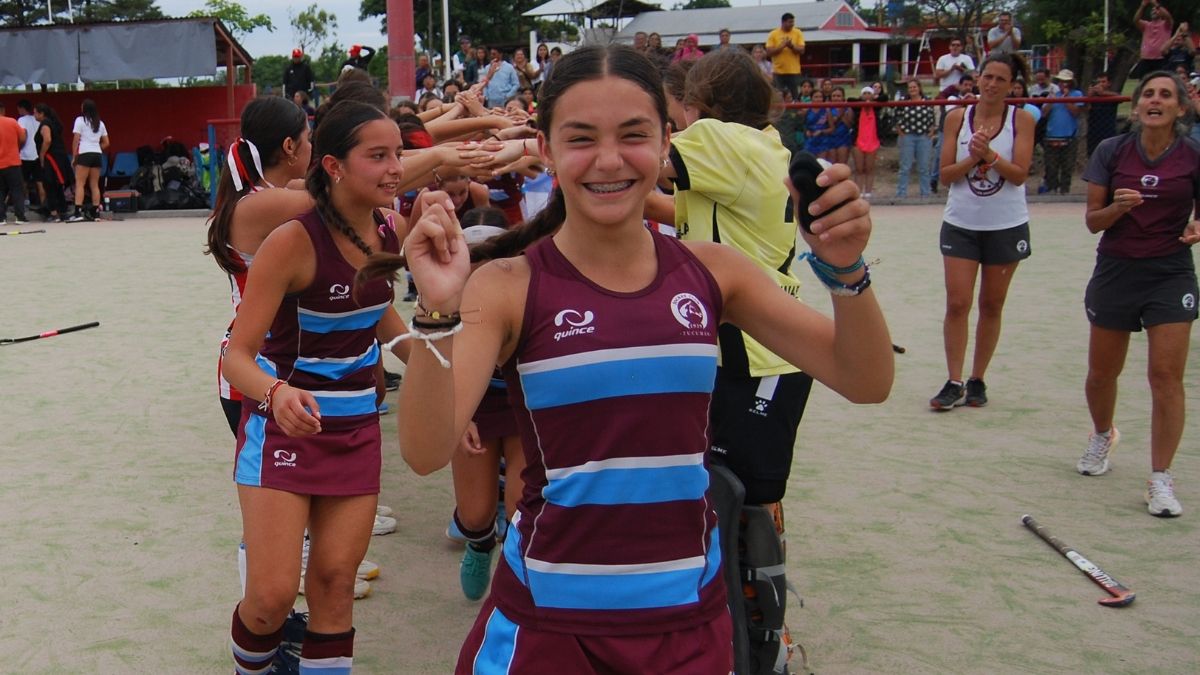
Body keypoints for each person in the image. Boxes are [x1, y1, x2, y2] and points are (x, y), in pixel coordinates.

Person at [373, 43, 891, 674]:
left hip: (688, 627)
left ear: (668, 140)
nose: (610, 159)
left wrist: (846, 271)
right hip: (549, 628)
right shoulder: (509, 284)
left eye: (635, 134)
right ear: (546, 146)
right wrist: (438, 311)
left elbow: (864, 379)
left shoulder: (714, 273)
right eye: (582, 137)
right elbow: (426, 451)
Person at [221, 100, 409, 674]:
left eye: (398, 153)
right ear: (333, 165)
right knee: (271, 599)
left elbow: (386, 323)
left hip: (355, 429)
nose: (396, 167)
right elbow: (237, 358)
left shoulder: (388, 227)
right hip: (283, 429)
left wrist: (449, 380)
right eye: (378, 156)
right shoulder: (291, 241)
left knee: (333, 585)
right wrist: (276, 394)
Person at [1077, 71, 1200, 518]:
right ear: (1136, 104)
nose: (1155, 100)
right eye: (1148, 93)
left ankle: (1161, 478)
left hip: (1170, 274)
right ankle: (1102, 434)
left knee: (1165, 377)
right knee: (1100, 374)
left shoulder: (1192, 155)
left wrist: (1196, 226)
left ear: (1180, 108)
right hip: (1116, 271)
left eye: (1165, 95)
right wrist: (1117, 207)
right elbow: (1093, 221)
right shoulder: (1112, 151)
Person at [930, 52, 1035, 410]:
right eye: (986, 77)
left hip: (1005, 224)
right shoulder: (957, 118)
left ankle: (978, 379)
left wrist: (989, 155)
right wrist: (974, 158)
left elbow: (1020, 174)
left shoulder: (1021, 120)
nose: (991, 85)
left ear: (1012, 85)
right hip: (962, 223)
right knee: (957, 303)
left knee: (992, 304)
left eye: (1000, 79)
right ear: (978, 78)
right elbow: (945, 175)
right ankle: (953, 379)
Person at [1039, 69, 1085, 195]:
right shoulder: (1053, 94)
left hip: (1069, 136)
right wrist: (1050, 101)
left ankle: (1065, 190)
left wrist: (1066, 99)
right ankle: (1052, 188)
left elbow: (1076, 112)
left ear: (1070, 82)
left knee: (1067, 166)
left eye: (1065, 82)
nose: (1063, 84)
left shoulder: (1077, 94)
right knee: (1051, 166)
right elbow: (1043, 113)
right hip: (1052, 135)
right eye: (1061, 81)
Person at [66, 99, 107, 223]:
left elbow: (76, 139)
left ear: (84, 109)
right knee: (94, 184)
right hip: (97, 154)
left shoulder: (80, 120)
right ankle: (96, 213)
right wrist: (97, 148)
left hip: (84, 154)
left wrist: (74, 156)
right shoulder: (100, 123)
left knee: (80, 184)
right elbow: (107, 142)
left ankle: (78, 212)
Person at [894, 79, 936, 198]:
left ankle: (925, 193)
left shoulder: (927, 100)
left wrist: (932, 130)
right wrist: (900, 132)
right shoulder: (903, 101)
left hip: (924, 136)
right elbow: (896, 117)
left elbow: (932, 116)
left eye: (914, 87)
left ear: (919, 88)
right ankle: (901, 193)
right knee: (905, 166)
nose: (912, 89)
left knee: (924, 167)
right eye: (910, 88)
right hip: (907, 136)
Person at [33, 103, 72, 223]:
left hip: (51, 158)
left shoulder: (45, 124)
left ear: (41, 113)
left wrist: (42, 155)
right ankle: (62, 211)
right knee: (57, 185)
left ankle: (54, 212)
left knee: (50, 184)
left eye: (35, 112)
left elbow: (47, 140)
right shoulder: (53, 123)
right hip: (58, 157)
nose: (34, 115)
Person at [0, 101, 29, 226]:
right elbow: (23, 137)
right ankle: (20, 216)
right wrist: (16, 148)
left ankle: (1, 218)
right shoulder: (12, 121)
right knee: (17, 189)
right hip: (12, 161)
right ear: (3, 110)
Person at [766, 12, 806, 99]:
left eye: (793, 22)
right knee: (778, 96)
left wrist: (791, 46)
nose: (792, 24)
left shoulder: (798, 33)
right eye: (790, 22)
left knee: (794, 96)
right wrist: (782, 46)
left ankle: (794, 112)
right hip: (778, 72)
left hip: (794, 71)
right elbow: (769, 52)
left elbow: (802, 50)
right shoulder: (773, 34)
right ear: (783, 22)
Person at [1132, 0, 1173, 78]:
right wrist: (1142, 6)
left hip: (1160, 60)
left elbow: (1168, 16)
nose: (1154, 11)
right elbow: (1135, 20)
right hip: (1146, 60)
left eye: (1156, 10)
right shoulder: (1146, 25)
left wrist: (1155, 4)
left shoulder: (1166, 25)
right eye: (1152, 10)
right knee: (1144, 83)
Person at [16, 100, 42, 214]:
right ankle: (44, 203)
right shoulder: (37, 120)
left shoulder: (21, 120)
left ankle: (25, 204)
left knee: (23, 182)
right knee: (40, 182)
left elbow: (23, 136)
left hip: (25, 155)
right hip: (37, 154)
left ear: (21, 108)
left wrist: (18, 148)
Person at [854, 86, 880, 198]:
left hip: (872, 141)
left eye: (869, 93)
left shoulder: (876, 107)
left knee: (870, 168)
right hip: (859, 140)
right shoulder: (857, 108)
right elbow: (850, 100)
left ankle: (868, 192)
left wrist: (874, 99)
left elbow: (884, 98)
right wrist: (862, 101)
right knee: (859, 168)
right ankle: (858, 191)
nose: (867, 96)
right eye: (864, 93)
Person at [1086, 72, 1121, 156]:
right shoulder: (1093, 97)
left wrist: (1103, 93)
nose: (1100, 84)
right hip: (1093, 132)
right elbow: (1085, 109)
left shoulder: (1111, 96)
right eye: (1098, 82)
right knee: (1092, 156)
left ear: (1109, 83)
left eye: (1103, 82)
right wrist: (1088, 97)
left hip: (1108, 132)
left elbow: (1119, 97)